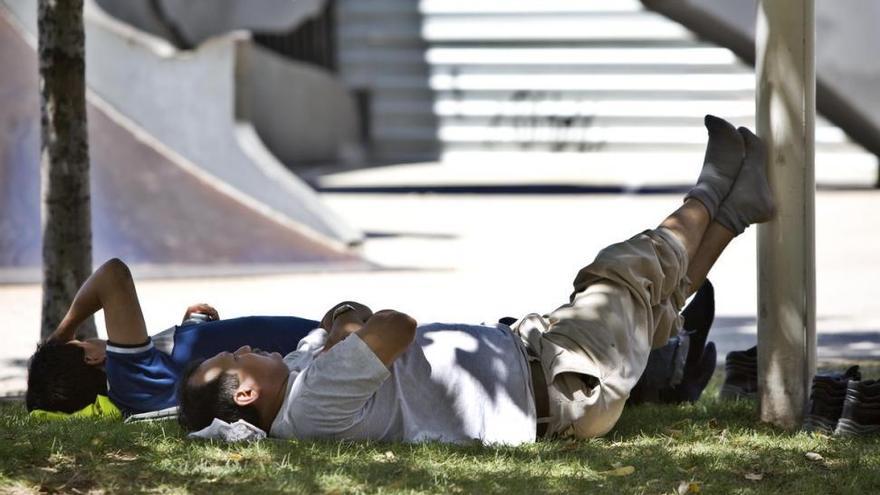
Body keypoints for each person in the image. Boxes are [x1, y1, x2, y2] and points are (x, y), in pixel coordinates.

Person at [177, 115, 774, 445]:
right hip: (563, 387)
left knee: (655, 302)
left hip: (537, 352)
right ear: (247, 394)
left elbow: (346, 314)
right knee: (624, 270)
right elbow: (393, 326)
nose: (244, 345)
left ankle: (734, 209)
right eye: (236, 356)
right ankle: (710, 187)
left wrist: (344, 325)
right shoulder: (310, 406)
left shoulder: (305, 367)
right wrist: (351, 327)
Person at [25, 259, 318, 416]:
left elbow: (176, 370)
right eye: (84, 340)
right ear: (93, 358)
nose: (95, 338)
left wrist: (189, 327)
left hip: (301, 347)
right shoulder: (129, 376)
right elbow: (113, 275)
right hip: (305, 347)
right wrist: (63, 332)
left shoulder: (141, 383)